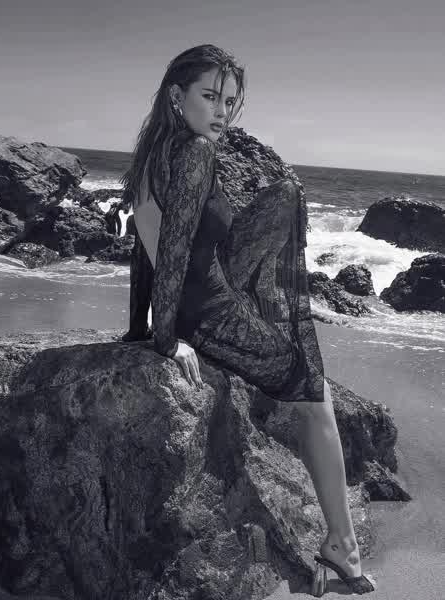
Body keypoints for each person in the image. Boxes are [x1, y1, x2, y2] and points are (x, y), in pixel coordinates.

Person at [119, 44, 375, 596]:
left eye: (230, 102)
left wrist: (138, 326)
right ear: (176, 95)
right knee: (314, 394)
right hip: (206, 314)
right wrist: (166, 340)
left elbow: (145, 248)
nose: (222, 112)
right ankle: (341, 544)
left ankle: (341, 542)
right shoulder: (194, 152)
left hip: (203, 297)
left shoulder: (153, 152)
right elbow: (172, 251)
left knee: (286, 194)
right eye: (210, 96)